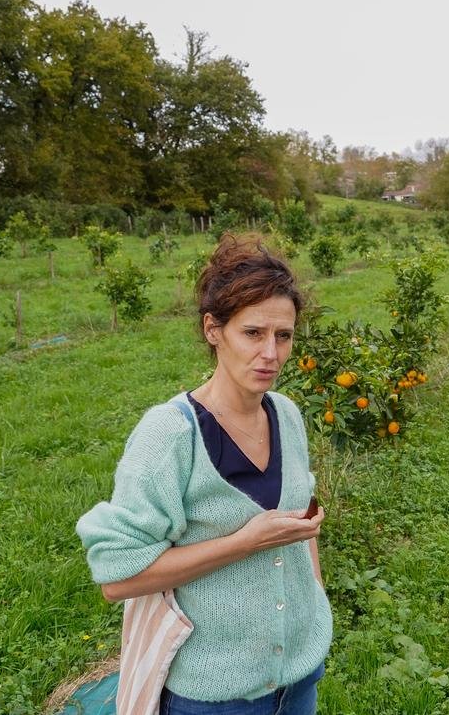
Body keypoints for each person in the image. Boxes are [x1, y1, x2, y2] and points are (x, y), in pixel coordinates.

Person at [76, 233, 332, 715]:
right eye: (253, 333)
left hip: (300, 675)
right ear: (214, 330)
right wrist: (243, 542)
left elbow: (300, 520)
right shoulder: (171, 434)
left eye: (284, 336)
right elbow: (117, 577)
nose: (271, 354)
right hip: (215, 694)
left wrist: (315, 599)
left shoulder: (287, 415)